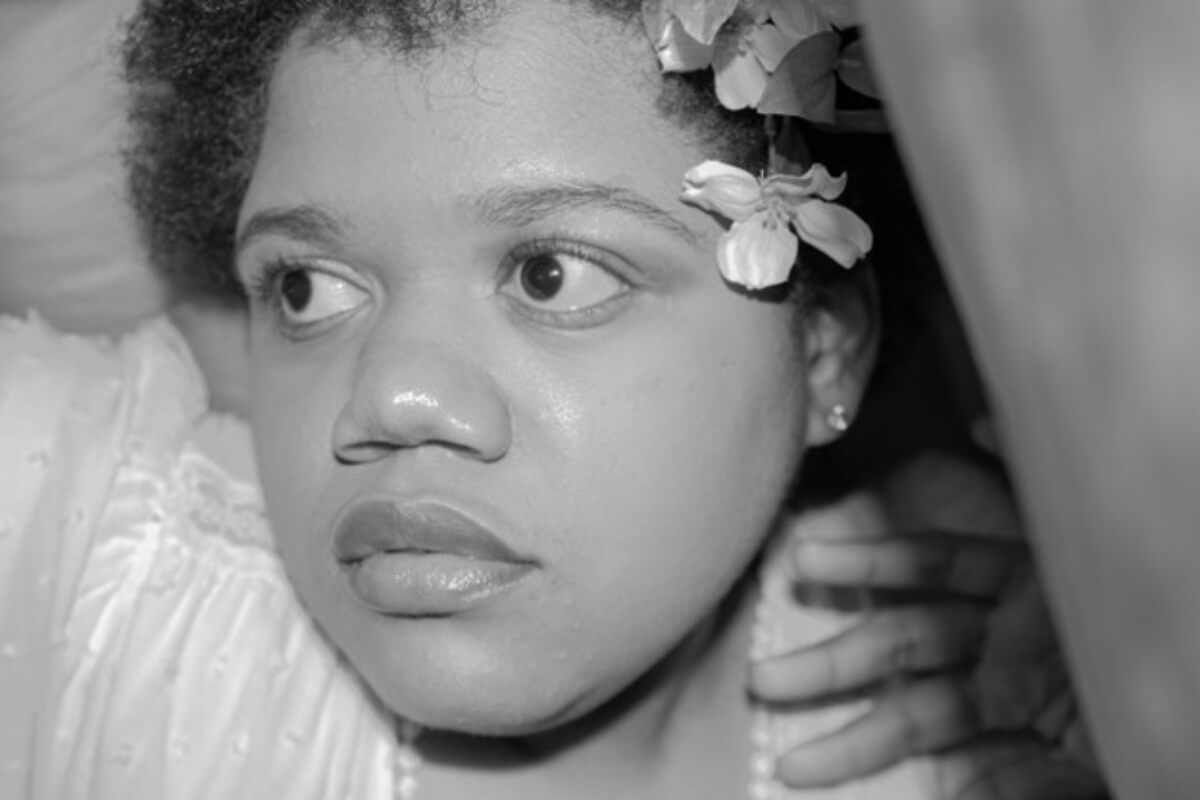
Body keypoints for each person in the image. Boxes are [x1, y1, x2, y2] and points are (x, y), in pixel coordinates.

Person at [0, 0, 1103, 797]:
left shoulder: (1015, 721)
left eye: (551, 274)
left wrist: (1138, 655)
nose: (395, 393)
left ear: (823, 350)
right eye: (306, 286)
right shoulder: (98, 563)